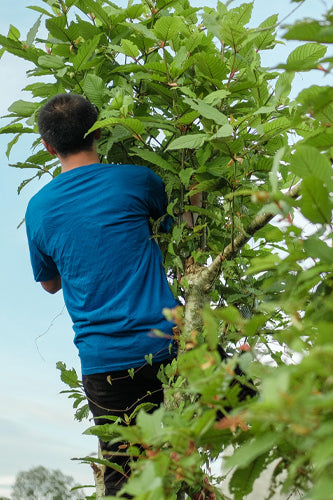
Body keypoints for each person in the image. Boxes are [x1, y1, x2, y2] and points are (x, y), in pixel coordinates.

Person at [25, 93, 200, 497]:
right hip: (167, 348)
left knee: (125, 483)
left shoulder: (39, 209)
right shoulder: (136, 180)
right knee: (199, 437)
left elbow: (49, 283)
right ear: (100, 131)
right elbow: (179, 226)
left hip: (103, 366)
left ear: (48, 146)